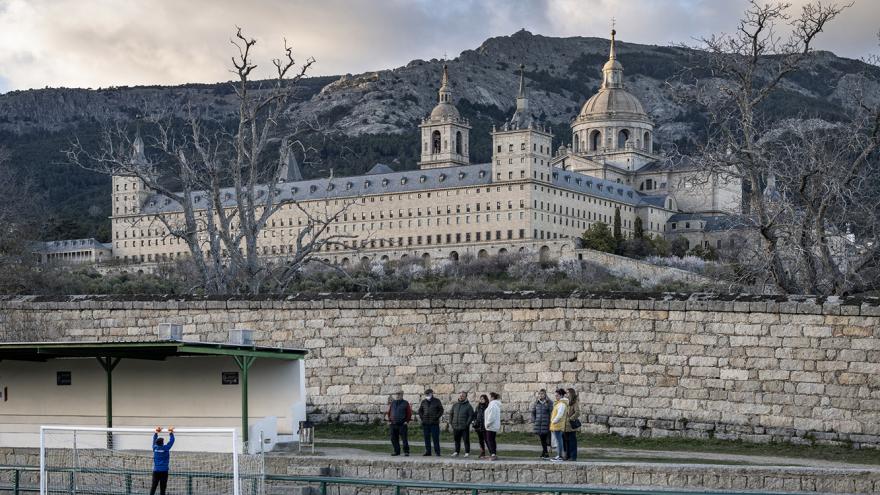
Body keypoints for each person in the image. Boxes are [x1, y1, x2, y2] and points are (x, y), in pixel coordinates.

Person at [417, 388, 444, 456]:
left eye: (428, 394)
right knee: (426, 438)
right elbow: (420, 410)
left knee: (435, 438)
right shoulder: (423, 402)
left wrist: (436, 417)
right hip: (426, 423)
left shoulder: (437, 401)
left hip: (434, 423)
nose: (427, 395)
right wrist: (422, 417)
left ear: (431, 394)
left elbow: (441, 410)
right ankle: (428, 452)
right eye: (426, 394)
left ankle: (437, 452)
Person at [386, 391, 412, 456]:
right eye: (397, 395)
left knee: (404, 439)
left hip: (402, 424)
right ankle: (396, 451)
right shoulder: (393, 403)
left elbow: (409, 413)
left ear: (402, 395)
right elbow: (389, 412)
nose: (397, 396)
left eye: (399, 395)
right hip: (393, 423)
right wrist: (389, 420)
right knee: (393, 438)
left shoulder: (405, 403)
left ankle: (406, 451)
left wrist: (407, 421)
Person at [150, 426, 175, 495]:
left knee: (153, 487)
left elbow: (154, 440)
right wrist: (171, 433)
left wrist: (156, 433)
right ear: (162, 443)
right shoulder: (166, 448)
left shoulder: (154, 448)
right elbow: (172, 441)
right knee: (163, 489)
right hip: (164, 471)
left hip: (156, 471)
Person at [449, 391, 474, 457]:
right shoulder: (455, 405)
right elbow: (451, 414)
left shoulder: (468, 406)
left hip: (464, 426)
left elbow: (471, 415)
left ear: (465, 397)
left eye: (463, 395)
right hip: (456, 426)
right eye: (460, 395)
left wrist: (467, 424)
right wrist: (451, 422)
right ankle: (456, 452)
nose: (461, 396)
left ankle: (467, 452)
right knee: (456, 440)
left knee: (466, 440)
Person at [530, 389, 553, 459]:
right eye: (539, 394)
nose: (541, 395)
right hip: (538, 424)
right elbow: (533, 412)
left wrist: (551, 421)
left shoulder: (549, 402)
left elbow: (551, 412)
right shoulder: (536, 402)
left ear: (545, 394)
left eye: (542, 394)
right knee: (542, 439)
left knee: (545, 438)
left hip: (546, 423)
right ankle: (544, 452)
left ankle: (545, 453)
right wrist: (534, 420)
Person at [549, 389, 569, 462]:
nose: (556, 397)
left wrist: (553, 421)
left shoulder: (562, 404)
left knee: (559, 441)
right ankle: (559, 455)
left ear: (561, 395)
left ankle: (559, 456)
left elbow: (560, 415)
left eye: (557, 395)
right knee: (558, 441)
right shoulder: (559, 403)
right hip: (556, 425)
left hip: (558, 425)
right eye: (555, 395)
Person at [483, 392, 502, 461]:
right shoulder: (494, 404)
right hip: (493, 425)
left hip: (491, 426)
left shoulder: (493, 405)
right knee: (492, 440)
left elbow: (491, 416)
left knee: (490, 440)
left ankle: (493, 454)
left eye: (489, 396)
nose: (488, 398)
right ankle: (493, 454)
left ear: (492, 397)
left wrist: (487, 424)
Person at [564, 388, 580, 461]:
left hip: (571, 425)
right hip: (565, 425)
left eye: (568, 393)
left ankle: (573, 456)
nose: (566, 394)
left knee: (572, 441)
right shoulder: (565, 402)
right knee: (566, 441)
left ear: (571, 393)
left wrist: (570, 418)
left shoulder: (574, 402)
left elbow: (577, 412)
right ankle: (567, 455)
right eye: (566, 393)